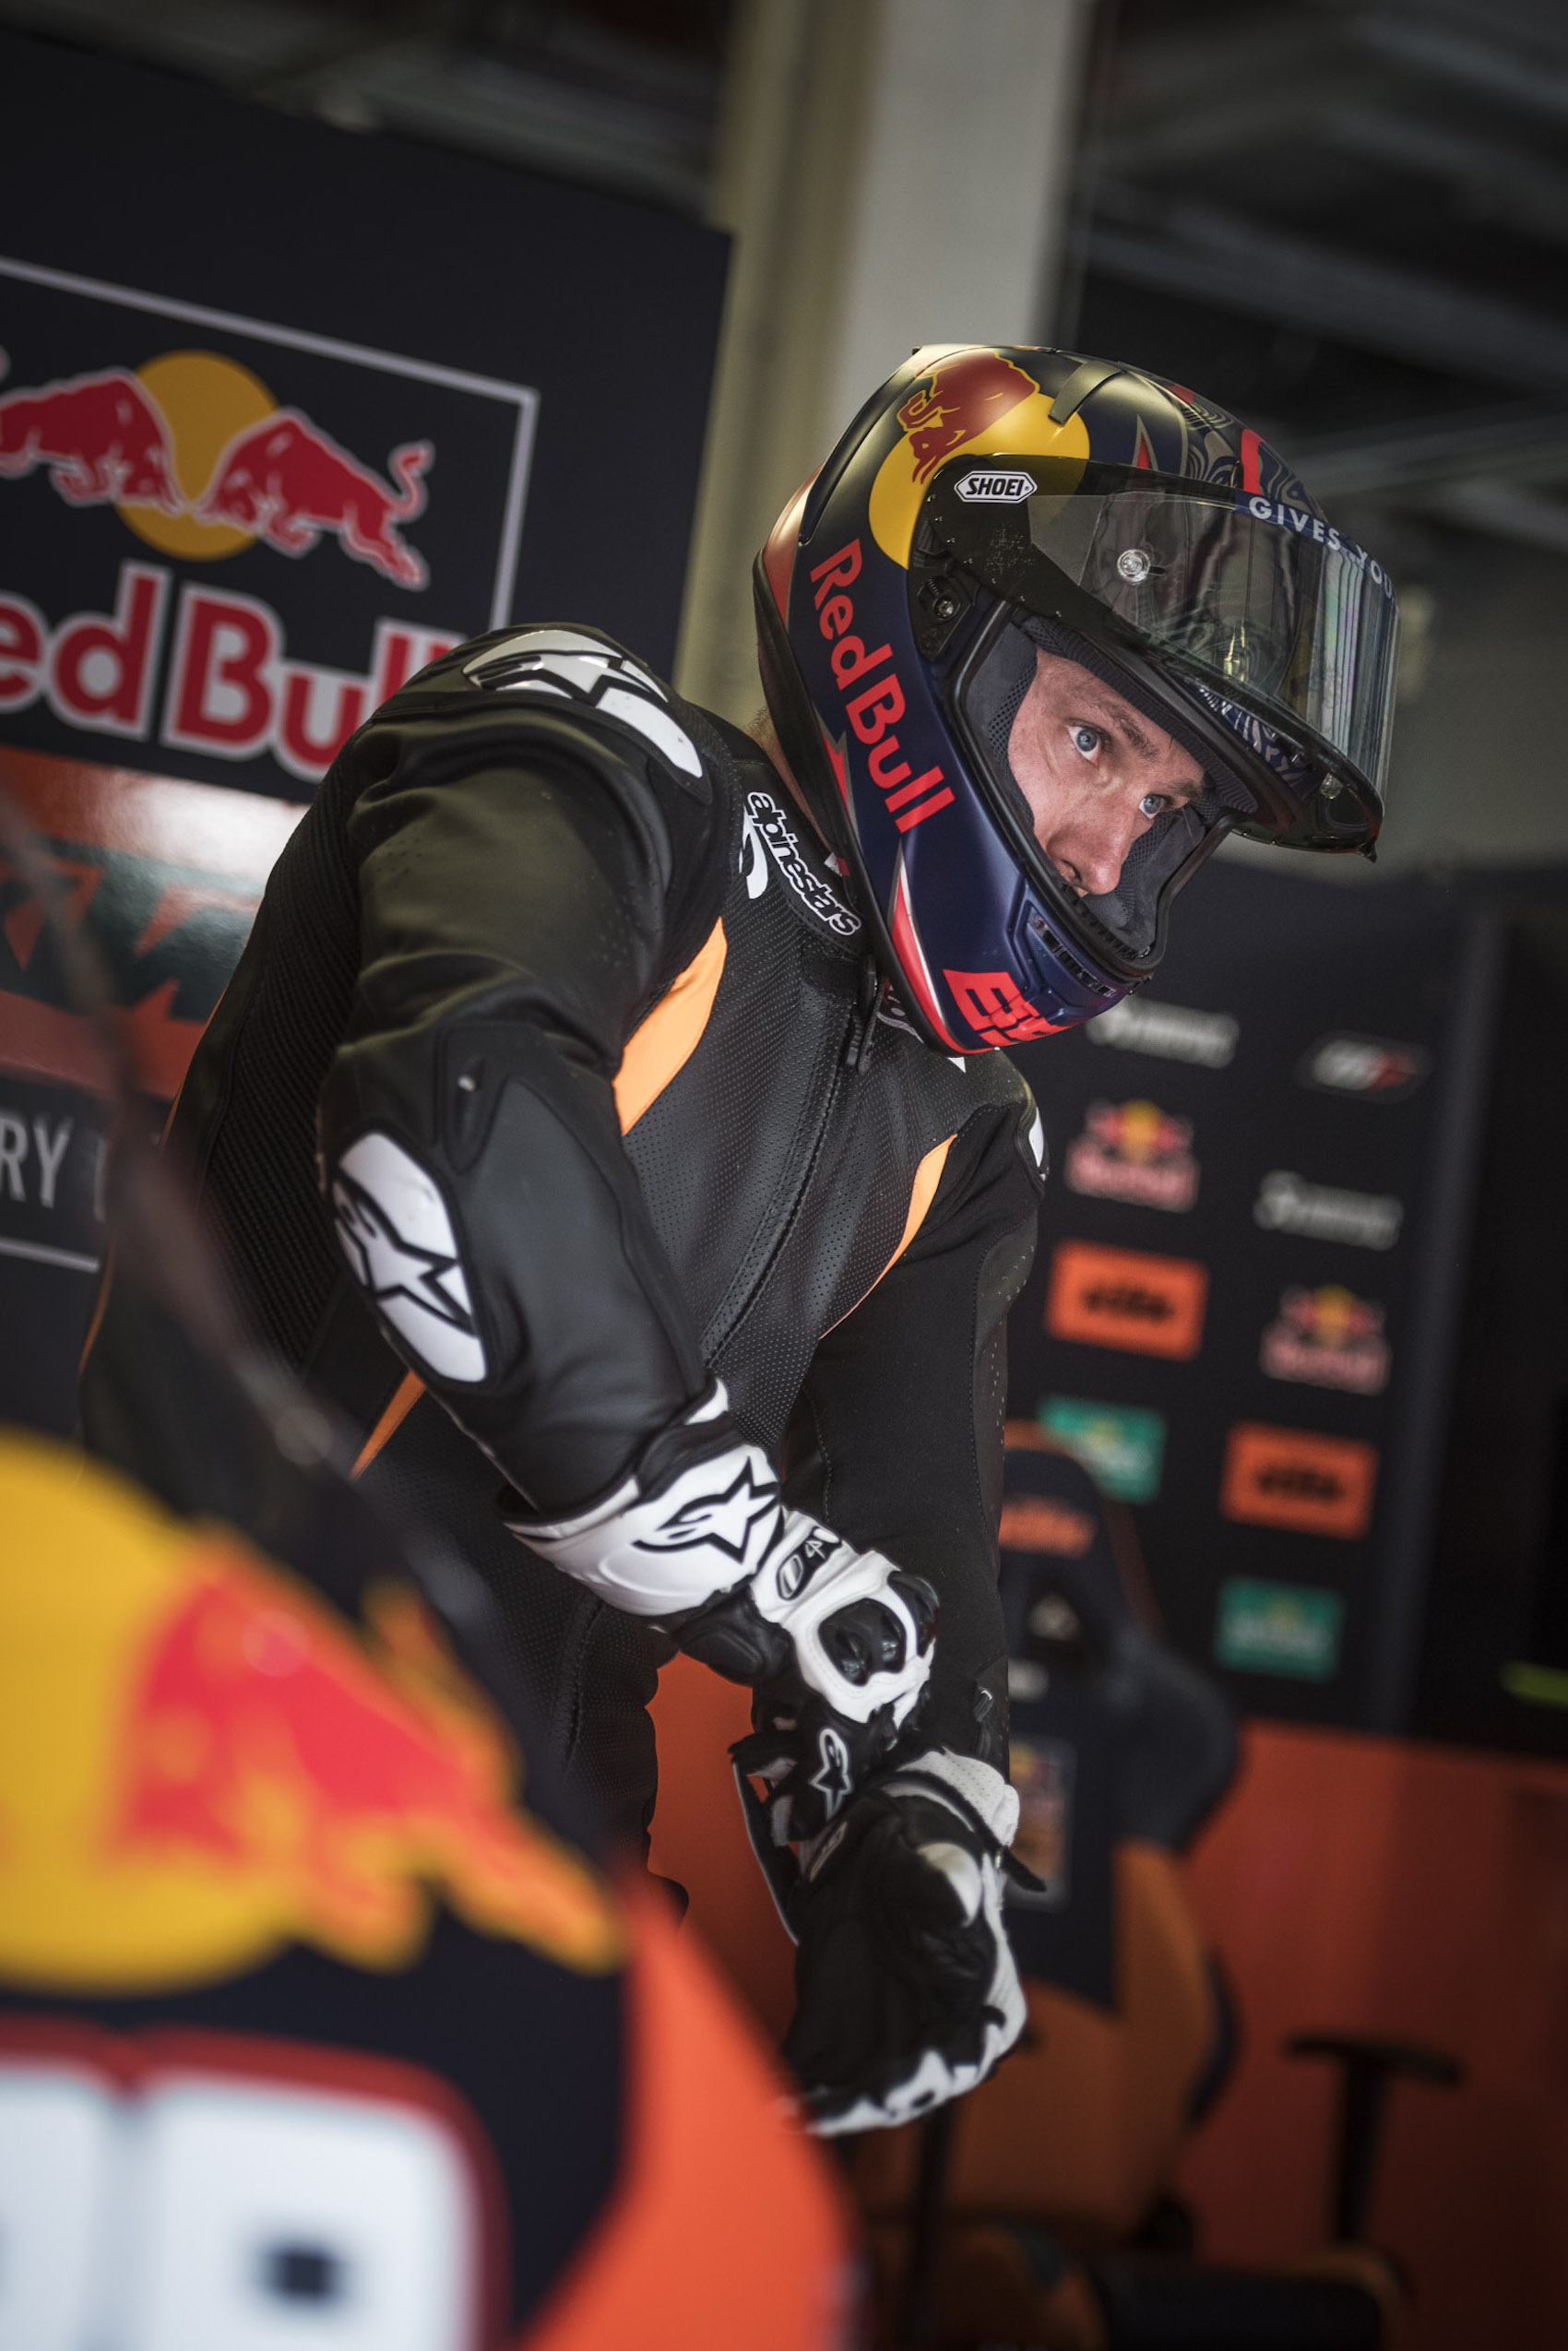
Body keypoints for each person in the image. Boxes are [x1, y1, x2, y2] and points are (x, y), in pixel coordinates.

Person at [81, 344, 1399, 2134]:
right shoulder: (591, 751)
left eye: (1165, 807)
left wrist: (928, 1823)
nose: (1110, 845)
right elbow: (450, 1143)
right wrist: (751, 1562)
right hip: (158, 1788)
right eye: (1095, 741)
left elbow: (918, 1526)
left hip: (540, 1901)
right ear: (921, 629)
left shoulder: (967, 1120)